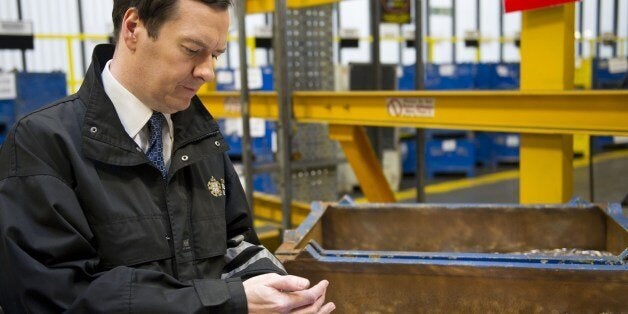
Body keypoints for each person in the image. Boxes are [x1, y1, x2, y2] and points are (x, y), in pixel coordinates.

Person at [0, 0, 335, 312]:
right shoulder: (43, 143)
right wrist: (228, 302)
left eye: (216, 55)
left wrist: (283, 292)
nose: (208, 72)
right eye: (192, 50)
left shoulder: (198, 133)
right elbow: (56, 295)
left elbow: (235, 240)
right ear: (133, 29)